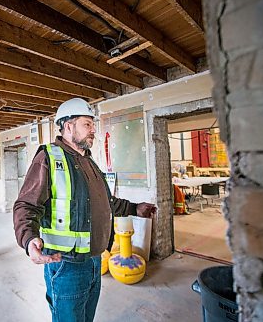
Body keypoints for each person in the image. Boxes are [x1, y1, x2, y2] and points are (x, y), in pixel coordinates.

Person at [13, 97, 157, 322]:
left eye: (93, 125)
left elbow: (105, 202)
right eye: (87, 124)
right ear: (68, 126)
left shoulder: (89, 162)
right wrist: (28, 238)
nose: (93, 131)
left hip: (94, 260)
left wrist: (134, 208)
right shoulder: (49, 157)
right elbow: (26, 204)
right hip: (66, 265)